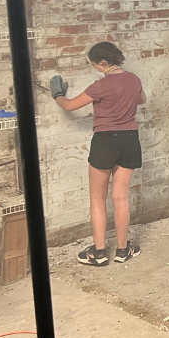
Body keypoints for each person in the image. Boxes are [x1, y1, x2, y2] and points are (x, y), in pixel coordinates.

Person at [51, 42, 145, 266]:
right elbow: (141, 100)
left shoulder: (100, 86)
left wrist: (57, 95)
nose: (95, 68)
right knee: (120, 197)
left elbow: (71, 105)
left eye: (94, 64)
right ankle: (123, 250)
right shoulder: (134, 79)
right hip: (130, 140)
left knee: (97, 198)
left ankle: (99, 252)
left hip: (105, 141)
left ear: (102, 63)